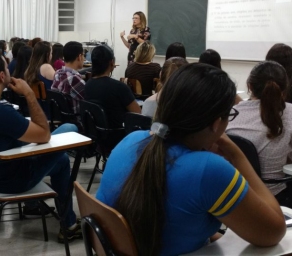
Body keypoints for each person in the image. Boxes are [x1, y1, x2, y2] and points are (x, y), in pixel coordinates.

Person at [96, 63, 286, 255]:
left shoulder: (131, 141)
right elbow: (274, 232)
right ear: (216, 123)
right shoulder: (209, 169)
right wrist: (237, 156)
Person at [0, 50, 81, 242]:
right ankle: (69, 225)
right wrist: (29, 94)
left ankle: (38, 208)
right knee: (64, 152)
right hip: (13, 180)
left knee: (66, 135)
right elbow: (44, 134)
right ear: (1, 76)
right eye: (6, 68)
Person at [226, 61, 292, 205]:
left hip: (234, 195)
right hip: (276, 197)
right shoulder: (290, 114)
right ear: (284, 90)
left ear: (249, 86)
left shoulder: (229, 116)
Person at [84, 45, 141, 129]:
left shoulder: (87, 85)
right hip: (117, 135)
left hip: (96, 134)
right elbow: (138, 114)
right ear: (111, 63)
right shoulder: (119, 87)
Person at [51, 42, 85, 115]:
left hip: (61, 118)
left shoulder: (57, 73)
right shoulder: (74, 79)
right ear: (79, 57)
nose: (84, 58)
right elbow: (89, 101)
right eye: (83, 55)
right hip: (77, 121)